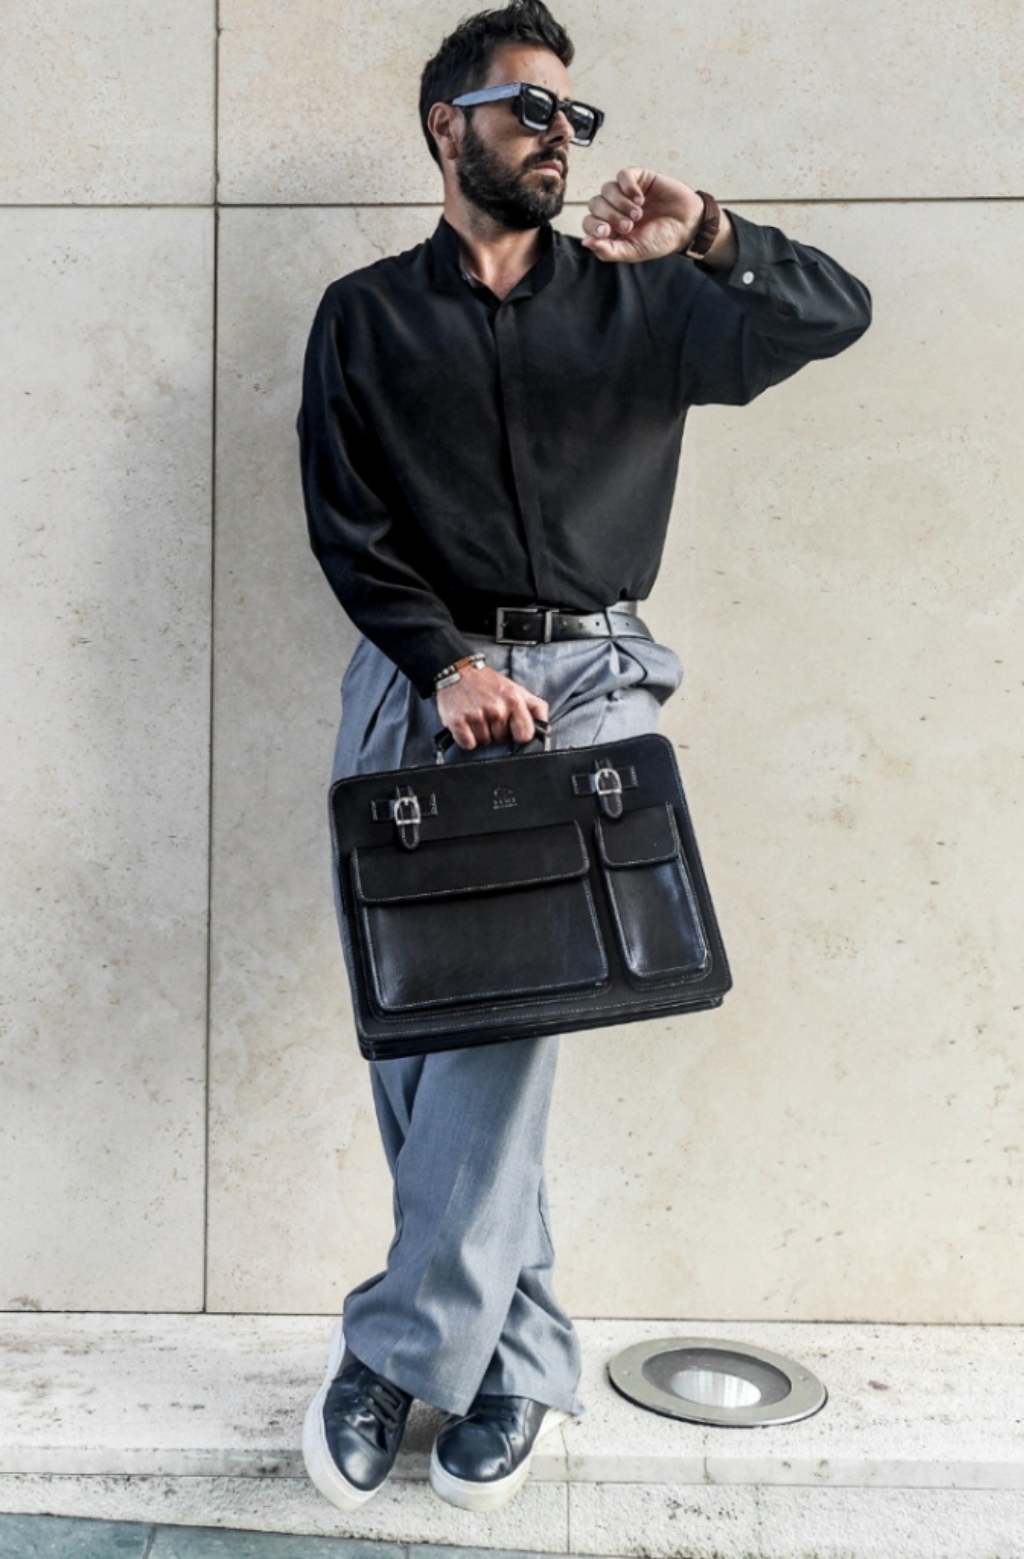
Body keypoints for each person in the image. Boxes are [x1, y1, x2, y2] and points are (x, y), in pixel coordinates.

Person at [297, 0, 871, 1517]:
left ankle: (393, 1353)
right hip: (421, 675)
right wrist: (446, 663)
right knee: (422, 1034)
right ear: (450, 126)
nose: (562, 135)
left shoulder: (649, 298)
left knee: (507, 1002)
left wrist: (714, 234)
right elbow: (347, 525)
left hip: (594, 685)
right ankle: (521, 1359)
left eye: (578, 116)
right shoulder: (364, 315)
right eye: (531, 107)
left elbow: (835, 313)